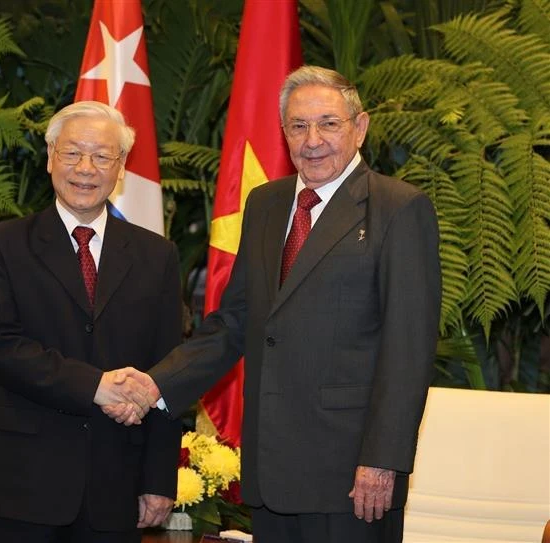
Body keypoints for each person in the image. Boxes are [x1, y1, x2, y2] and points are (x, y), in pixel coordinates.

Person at [109, 66, 442, 542]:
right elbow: (236, 321)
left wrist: (383, 460)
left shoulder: (398, 208)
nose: (313, 140)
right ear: (283, 132)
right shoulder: (266, 203)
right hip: (271, 471)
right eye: (298, 126)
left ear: (360, 127)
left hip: (350, 476)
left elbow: (408, 349)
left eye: (329, 123)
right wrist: (155, 386)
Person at [0, 101, 183, 543]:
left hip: (117, 486)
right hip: (25, 485)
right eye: (72, 153)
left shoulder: (157, 255)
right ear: (50, 156)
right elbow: (1, 347)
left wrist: (160, 479)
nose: (86, 168)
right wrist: (96, 385)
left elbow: (168, 368)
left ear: (120, 167)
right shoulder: (2, 245)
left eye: (102, 156)